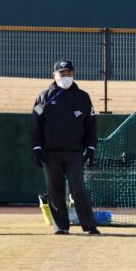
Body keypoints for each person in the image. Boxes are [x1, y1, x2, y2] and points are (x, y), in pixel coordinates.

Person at [29, 60, 101, 235]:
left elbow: (90, 124)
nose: (66, 76)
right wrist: (36, 147)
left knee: (78, 188)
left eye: (69, 73)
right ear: (54, 75)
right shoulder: (44, 97)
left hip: (74, 153)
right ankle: (60, 226)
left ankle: (89, 225)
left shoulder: (83, 97)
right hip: (50, 153)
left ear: (74, 74)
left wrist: (90, 147)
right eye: (62, 73)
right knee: (55, 189)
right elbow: (35, 124)